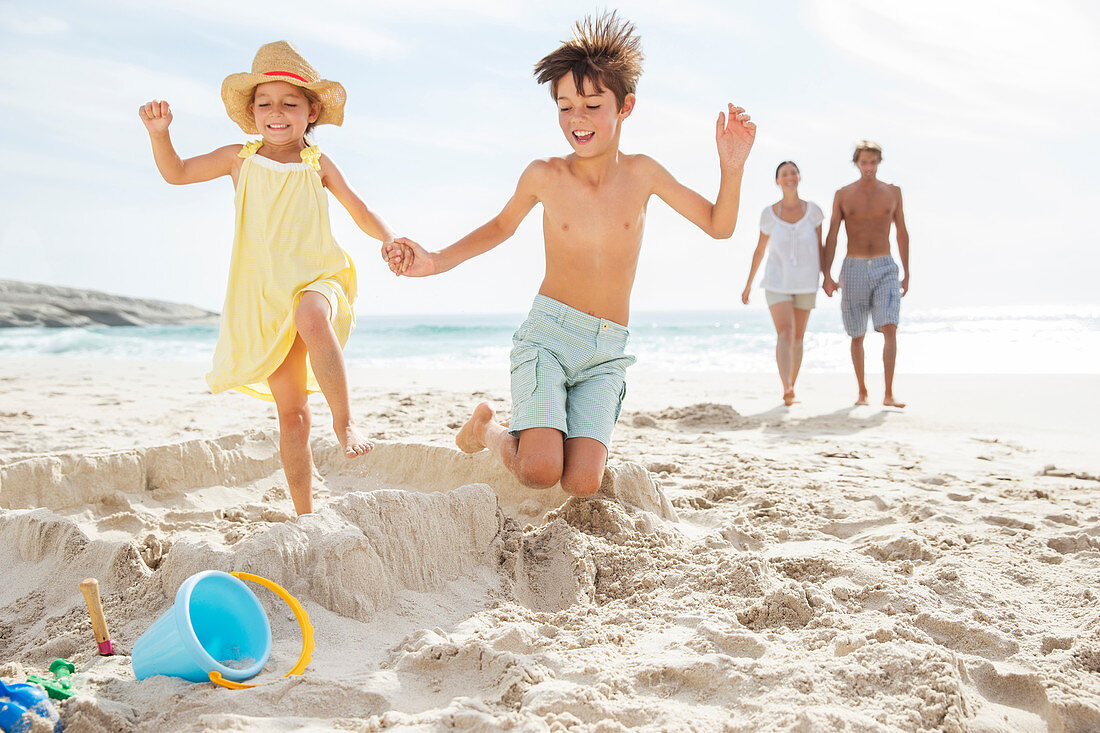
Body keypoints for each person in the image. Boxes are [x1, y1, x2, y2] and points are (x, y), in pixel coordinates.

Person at [385, 12, 755, 497]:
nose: (576, 119)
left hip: (607, 349)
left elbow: (718, 226)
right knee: (539, 471)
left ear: (625, 108)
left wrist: (732, 166)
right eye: (564, 107)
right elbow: (500, 227)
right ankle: (486, 431)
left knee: (580, 483)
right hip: (550, 338)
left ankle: (561, 432)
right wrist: (434, 260)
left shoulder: (644, 174)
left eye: (591, 105)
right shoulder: (544, 175)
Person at [139, 41, 405, 515]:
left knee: (312, 314)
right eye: (265, 103)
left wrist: (387, 239)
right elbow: (177, 173)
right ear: (252, 112)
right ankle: (304, 512)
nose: (276, 112)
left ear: (311, 112)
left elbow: (359, 208)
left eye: (290, 103)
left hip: (320, 278)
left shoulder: (316, 163)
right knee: (294, 418)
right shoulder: (238, 158)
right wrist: (160, 134)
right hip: (266, 303)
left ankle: (344, 422)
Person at [822, 140, 909, 408]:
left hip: (885, 265)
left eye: (872, 162)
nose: (868, 167)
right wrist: (827, 274)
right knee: (857, 334)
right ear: (856, 163)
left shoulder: (893, 192)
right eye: (864, 162)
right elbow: (833, 234)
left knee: (890, 326)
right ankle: (862, 392)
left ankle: (889, 393)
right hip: (854, 266)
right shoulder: (843, 194)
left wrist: (907, 272)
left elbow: (902, 232)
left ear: (879, 162)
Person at [741, 161, 824, 406]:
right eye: (784, 174)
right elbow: (759, 250)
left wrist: (827, 277)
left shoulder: (814, 212)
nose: (789, 177)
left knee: (798, 336)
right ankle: (786, 386)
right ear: (777, 181)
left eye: (793, 173)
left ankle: (792, 385)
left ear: (799, 177)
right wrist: (748, 284)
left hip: (807, 283)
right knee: (785, 333)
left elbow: (822, 248)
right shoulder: (769, 214)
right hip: (777, 282)